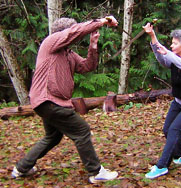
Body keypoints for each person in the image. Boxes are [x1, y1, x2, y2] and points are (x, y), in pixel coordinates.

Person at [11, 16, 119, 184]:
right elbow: (74, 32)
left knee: (52, 137)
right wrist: (101, 21)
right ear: (63, 33)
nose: (73, 37)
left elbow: (87, 67)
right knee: (82, 130)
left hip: (50, 103)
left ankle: (21, 168)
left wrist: (93, 45)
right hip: (48, 101)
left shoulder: (69, 53)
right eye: (71, 31)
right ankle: (96, 172)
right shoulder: (50, 43)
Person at [142, 23, 181, 179]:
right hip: (178, 101)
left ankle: (162, 166)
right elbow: (162, 58)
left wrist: (168, 53)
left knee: (174, 131)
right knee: (167, 130)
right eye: (171, 43)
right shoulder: (173, 60)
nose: (171, 45)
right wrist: (152, 36)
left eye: (175, 43)